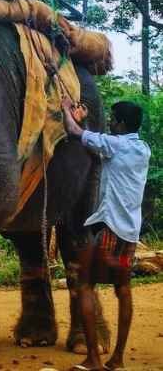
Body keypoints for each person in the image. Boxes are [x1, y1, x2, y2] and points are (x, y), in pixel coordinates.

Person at [60, 96, 150, 371]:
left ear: (121, 124)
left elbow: (75, 133)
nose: (109, 121)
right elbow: (100, 149)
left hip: (108, 228)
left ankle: (93, 360)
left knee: (85, 284)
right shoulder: (142, 149)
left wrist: (66, 109)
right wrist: (88, 123)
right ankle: (118, 359)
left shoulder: (114, 144)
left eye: (112, 118)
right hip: (129, 234)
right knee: (123, 289)